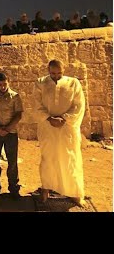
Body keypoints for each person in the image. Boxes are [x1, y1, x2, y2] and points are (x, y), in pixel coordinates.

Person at [33, 60, 86, 207]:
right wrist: (49, 118)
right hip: (47, 128)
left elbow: (79, 105)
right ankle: (45, 190)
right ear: (48, 70)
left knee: (70, 159)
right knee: (48, 158)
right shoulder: (40, 83)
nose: (56, 76)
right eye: (53, 73)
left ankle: (75, 193)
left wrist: (63, 119)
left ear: (63, 70)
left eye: (59, 73)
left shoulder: (74, 83)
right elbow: (37, 105)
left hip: (67, 128)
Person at [0, 73, 24, 199]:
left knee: (12, 162)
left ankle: (13, 188)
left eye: (4, 84)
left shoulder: (15, 96)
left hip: (10, 133)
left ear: (9, 82)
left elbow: (18, 115)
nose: (2, 87)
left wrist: (7, 129)